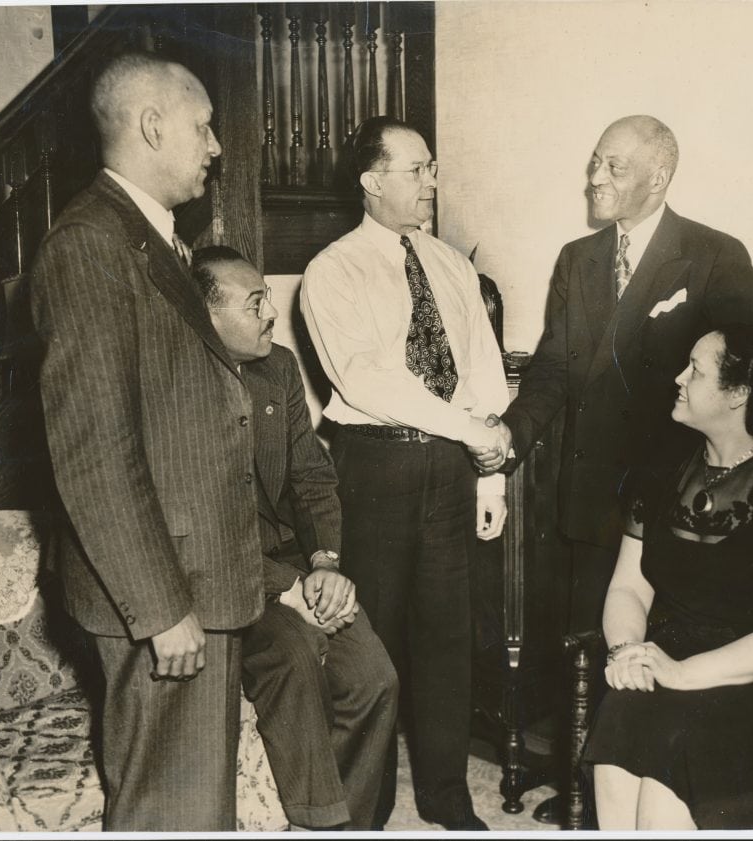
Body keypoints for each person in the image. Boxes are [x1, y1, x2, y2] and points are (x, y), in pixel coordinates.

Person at [30, 52, 261, 830]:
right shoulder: (90, 243)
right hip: (164, 587)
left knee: (194, 801)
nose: (217, 146)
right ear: (152, 126)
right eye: (203, 126)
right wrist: (162, 607)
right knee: (173, 808)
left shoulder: (151, 239)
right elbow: (94, 448)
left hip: (195, 573)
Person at [479, 115, 753, 637]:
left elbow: (747, 384)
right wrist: (508, 435)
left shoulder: (715, 256)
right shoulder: (577, 259)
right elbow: (551, 370)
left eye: (614, 166)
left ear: (658, 178)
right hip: (592, 501)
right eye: (596, 162)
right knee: (590, 655)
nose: (596, 177)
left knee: (664, 658)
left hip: (677, 503)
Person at [300, 115, 510, 831]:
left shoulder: (450, 264)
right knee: (374, 639)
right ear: (371, 180)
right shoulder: (333, 271)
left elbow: (482, 367)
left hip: (453, 468)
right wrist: (473, 434)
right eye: (417, 169)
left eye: (431, 168)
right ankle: (370, 802)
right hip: (377, 465)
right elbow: (368, 380)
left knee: (448, 635)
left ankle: (447, 795)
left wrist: (490, 475)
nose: (432, 182)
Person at [583, 324, 753, 829]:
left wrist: (680, 674)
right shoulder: (659, 473)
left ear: (738, 395)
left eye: (695, 369)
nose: (678, 378)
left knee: (679, 750)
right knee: (621, 714)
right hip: (671, 654)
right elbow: (628, 587)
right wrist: (627, 652)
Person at [190, 246, 398, 830]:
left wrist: (326, 562)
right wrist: (288, 588)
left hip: (297, 564)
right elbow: (197, 527)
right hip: (223, 575)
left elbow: (310, 476)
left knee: (373, 677)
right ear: (206, 314)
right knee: (297, 654)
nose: (269, 315)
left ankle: (350, 824)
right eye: (255, 303)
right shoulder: (178, 385)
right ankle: (317, 820)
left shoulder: (277, 368)